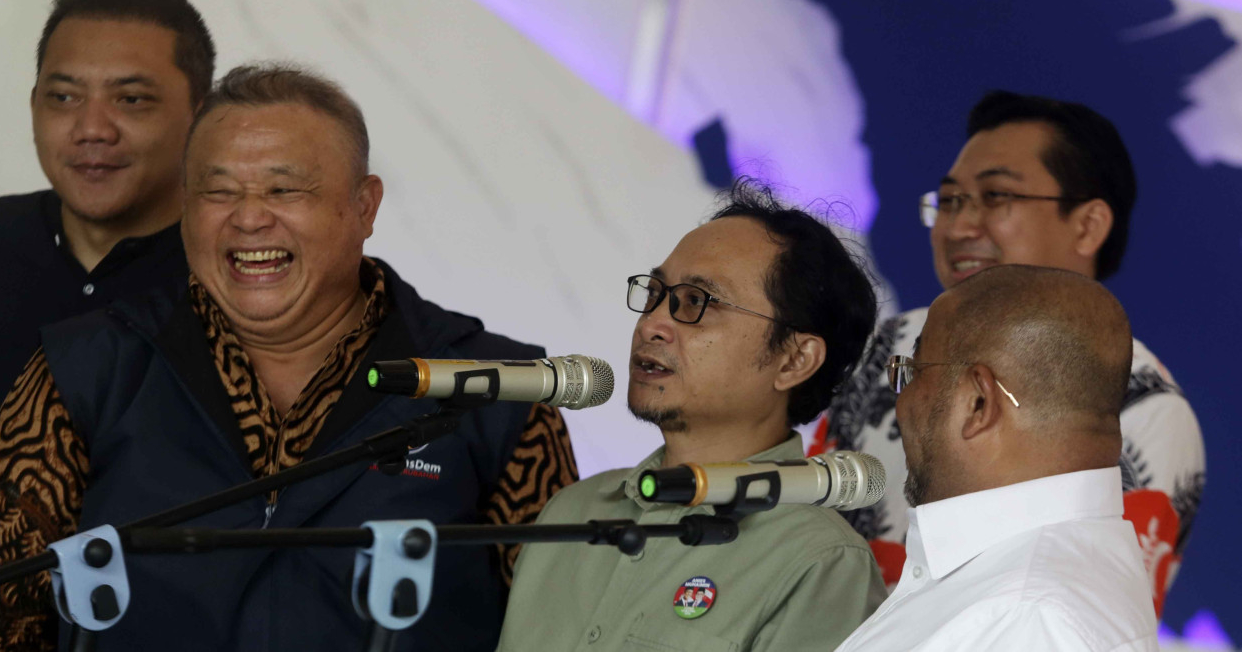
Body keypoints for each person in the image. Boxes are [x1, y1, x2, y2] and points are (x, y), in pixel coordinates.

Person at [0, 65, 578, 650]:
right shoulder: (87, 367)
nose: (248, 217)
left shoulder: (495, 392)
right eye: (217, 191)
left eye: (284, 189)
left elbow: (565, 627)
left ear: (365, 207)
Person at [818, 91, 1204, 614]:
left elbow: (1089, 617)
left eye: (997, 197)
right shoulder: (885, 345)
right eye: (950, 200)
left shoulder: (1142, 403)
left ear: (1088, 225)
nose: (958, 227)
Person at [497, 182, 886, 652]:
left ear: (794, 360)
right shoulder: (573, 511)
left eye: (698, 302)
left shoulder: (821, 562)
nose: (652, 324)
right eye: (656, 294)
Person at [835, 264, 1158, 651]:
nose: (902, 402)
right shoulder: (1040, 589)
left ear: (978, 403)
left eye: (915, 373)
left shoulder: (1028, 621)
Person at [0, 0, 216, 438]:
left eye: (131, 99)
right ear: (33, 107)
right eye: (64, 97)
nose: (92, 129)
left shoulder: (245, 279)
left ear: (202, 116)